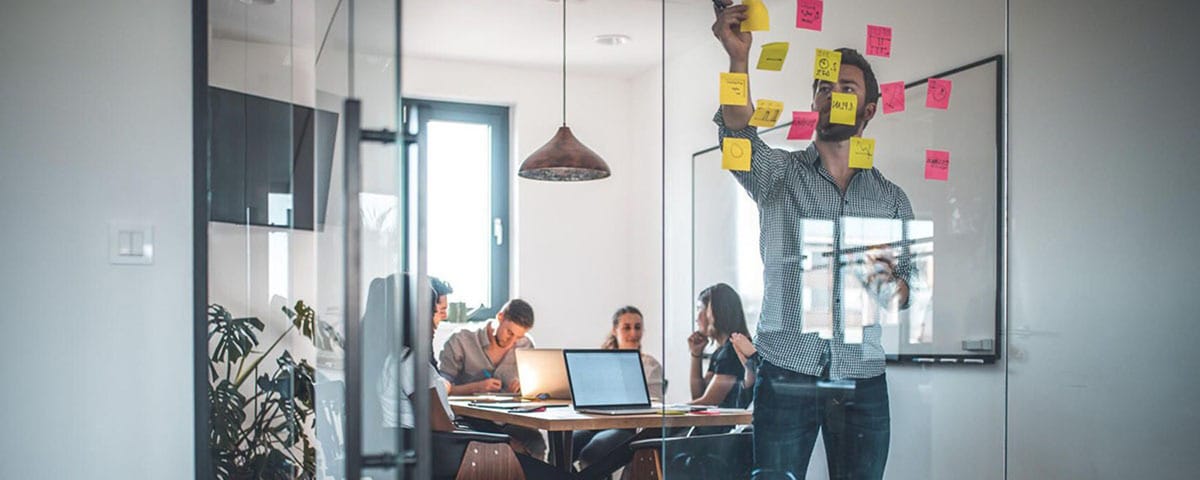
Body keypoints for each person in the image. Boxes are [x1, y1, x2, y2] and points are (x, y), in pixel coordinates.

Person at [712, 2, 916, 478]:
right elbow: (736, 133)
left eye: (846, 88)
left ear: (868, 110)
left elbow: (907, 295)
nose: (832, 95)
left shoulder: (891, 200)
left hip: (863, 380)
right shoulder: (779, 174)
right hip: (786, 374)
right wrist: (738, 59)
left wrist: (882, 277)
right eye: (824, 87)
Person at [377, 277, 572, 478]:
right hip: (453, 458)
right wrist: (502, 442)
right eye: (433, 313)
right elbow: (444, 430)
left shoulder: (397, 358)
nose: (437, 321)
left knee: (535, 449)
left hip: (441, 453)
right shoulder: (411, 362)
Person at [438, 299, 546, 459]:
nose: (512, 342)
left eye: (518, 337)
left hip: (509, 419)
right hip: (471, 420)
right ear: (500, 317)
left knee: (535, 442)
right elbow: (441, 388)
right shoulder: (461, 340)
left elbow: (536, 386)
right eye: (509, 332)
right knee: (507, 445)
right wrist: (475, 387)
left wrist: (525, 388)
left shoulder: (525, 345)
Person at [571, 306, 664, 468]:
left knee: (591, 454)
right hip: (594, 424)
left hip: (628, 428)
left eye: (638, 327)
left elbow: (656, 403)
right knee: (564, 448)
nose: (634, 333)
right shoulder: (600, 362)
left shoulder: (650, 365)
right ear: (615, 330)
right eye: (627, 327)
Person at [689, 284, 752, 412]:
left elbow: (709, 402)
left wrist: (670, 410)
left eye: (699, 308)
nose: (696, 318)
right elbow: (699, 395)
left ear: (712, 312)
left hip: (725, 427)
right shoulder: (721, 351)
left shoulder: (732, 350)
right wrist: (696, 354)